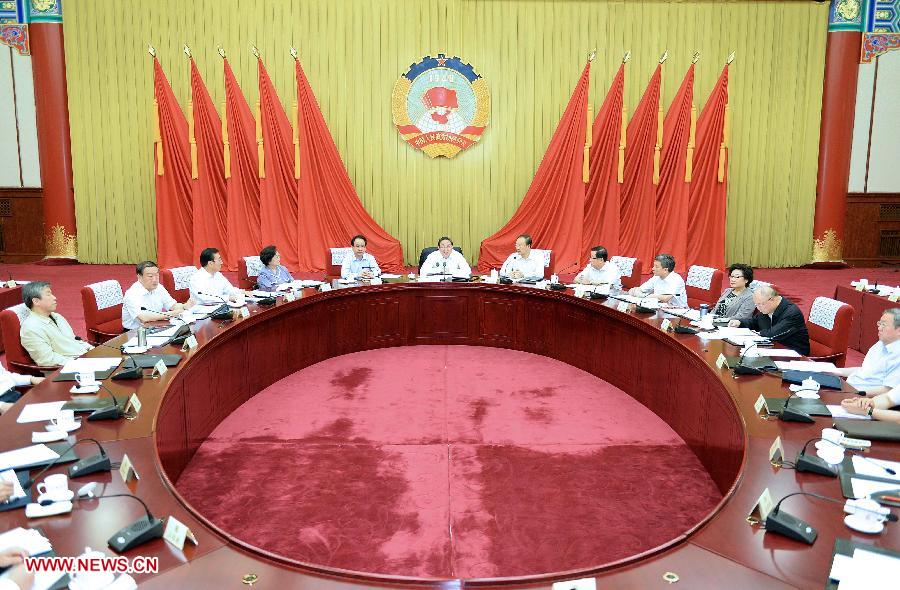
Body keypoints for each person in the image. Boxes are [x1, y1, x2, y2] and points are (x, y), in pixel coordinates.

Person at [826, 309, 900, 395]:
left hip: (862, 398)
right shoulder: (880, 344)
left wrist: (854, 393)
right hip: (848, 388)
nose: (879, 328)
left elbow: (888, 391)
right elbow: (864, 371)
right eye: (879, 323)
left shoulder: (897, 355)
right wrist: (834, 371)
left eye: (884, 325)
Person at [20, 281, 92, 367]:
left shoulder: (57, 317)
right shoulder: (30, 328)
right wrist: (80, 363)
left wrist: (93, 351)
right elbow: (47, 360)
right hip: (64, 370)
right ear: (36, 301)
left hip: (83, 359)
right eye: (48, 294)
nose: (54, 298)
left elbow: (74, 341)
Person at [728, 285, 810, 355]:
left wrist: (752, 336)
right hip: (772, 348)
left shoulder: (792, 313)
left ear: (772, 299)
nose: (758, 308)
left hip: (793, 354)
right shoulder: (767, 307)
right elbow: (755, 322)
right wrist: (740, 323)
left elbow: (772, 335)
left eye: (760, 304)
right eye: (756, 304)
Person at [122, 261, 192, 330]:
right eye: (150, 276)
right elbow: (143, 318)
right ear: (139, 277)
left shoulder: (159, 287)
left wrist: (184, 306)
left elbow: (172, 305)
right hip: (135, 332)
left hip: (155, 326)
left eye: (156, 275)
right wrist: (172, 314)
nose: (155, 280)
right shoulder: (132, 294)